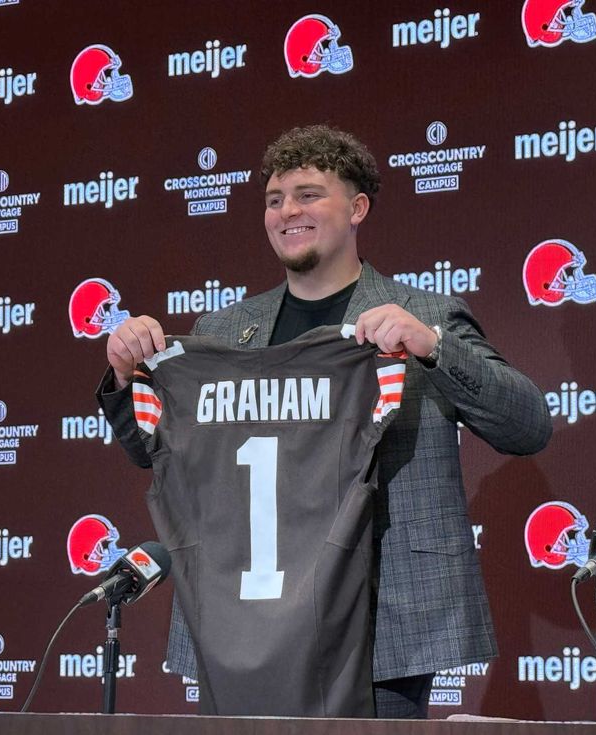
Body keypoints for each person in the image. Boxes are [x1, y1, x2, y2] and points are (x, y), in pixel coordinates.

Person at [97, 125, 552, 718]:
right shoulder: (223, 330)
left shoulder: (424, 315)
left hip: (381, 622)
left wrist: (434, 348)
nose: (289, 212)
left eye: (309, 194)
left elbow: (527, 427)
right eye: (275, 199)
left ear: (357, 207)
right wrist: (124, 373)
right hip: (243, 619)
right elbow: (152, 451)